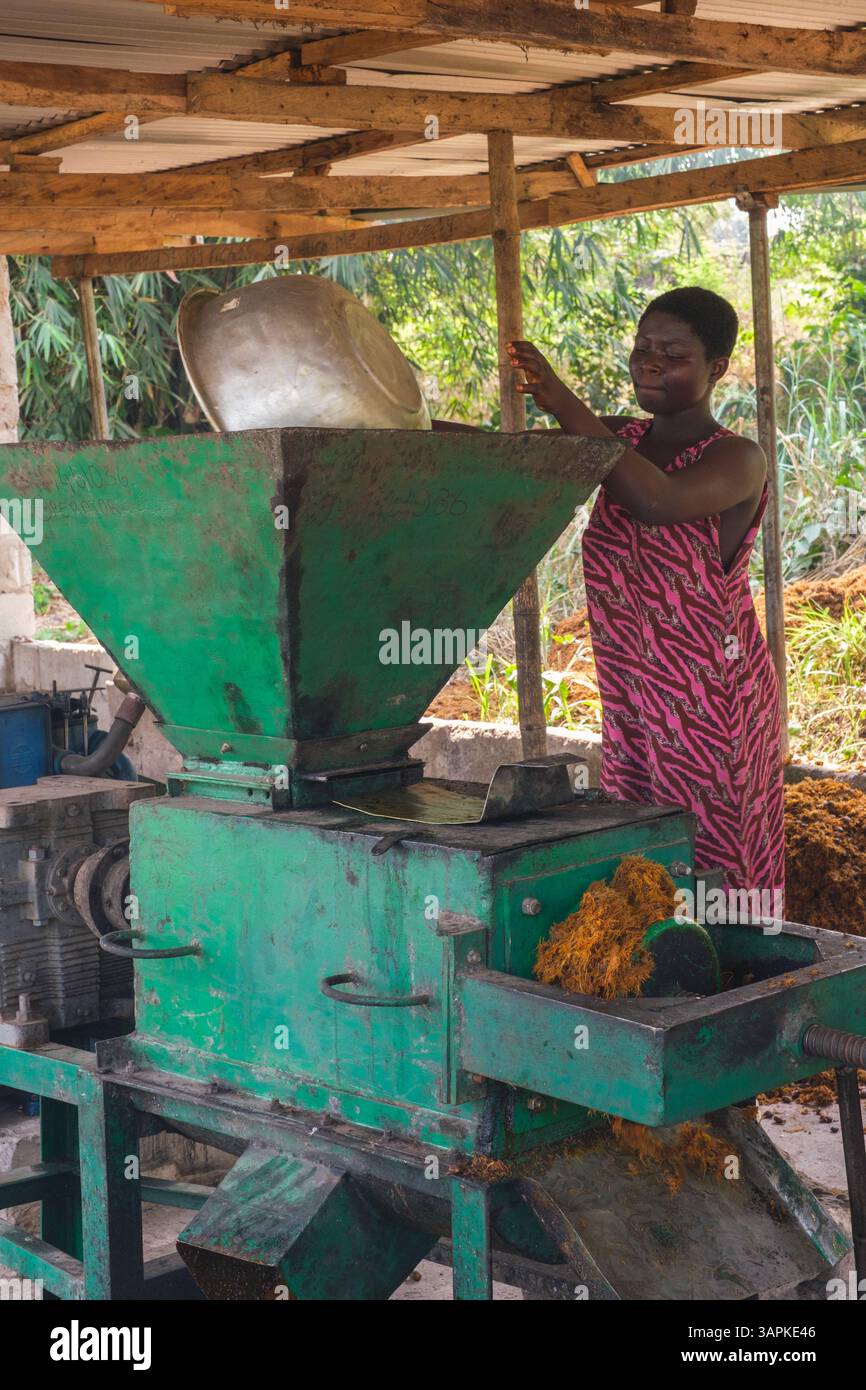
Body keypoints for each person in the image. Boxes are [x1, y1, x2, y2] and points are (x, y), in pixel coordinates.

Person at [506, 287, 784, 912]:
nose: (650, 363)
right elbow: (505, 454)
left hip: (714, 704)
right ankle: (661, 981)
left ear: (717, 369)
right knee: (644, 857)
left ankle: (741, 987)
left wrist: (561, 398)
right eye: (642, 349)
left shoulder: (738, 458)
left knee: (719, 862)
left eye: (674, 354)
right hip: (634, 698)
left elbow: (655, 501)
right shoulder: (616, 438)